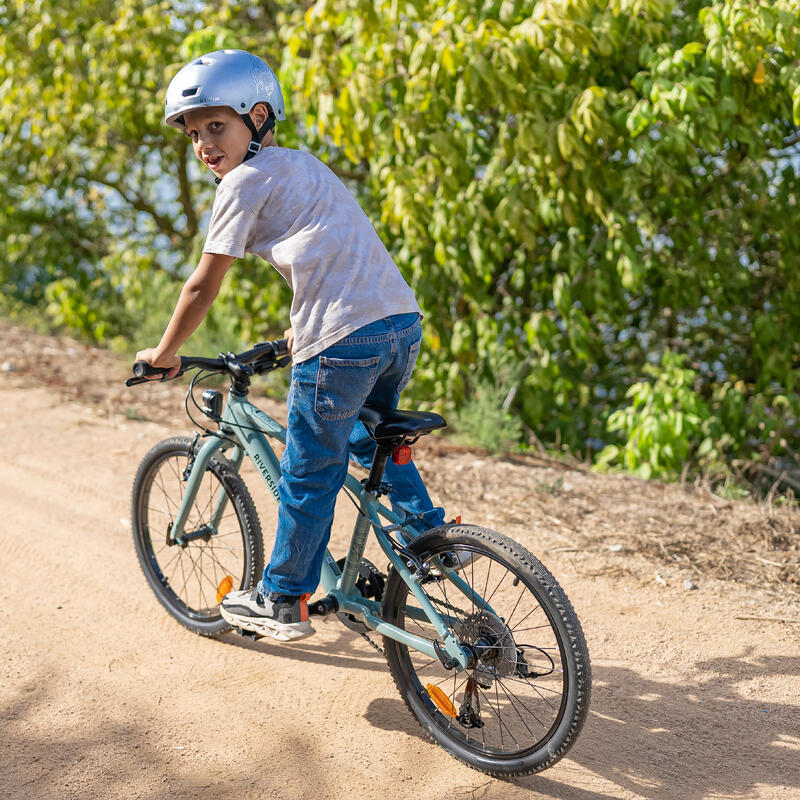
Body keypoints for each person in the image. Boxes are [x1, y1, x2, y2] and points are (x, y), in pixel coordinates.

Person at [135, 49, 444, 642]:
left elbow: (204, 283)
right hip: (398, 323)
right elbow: (332, 253)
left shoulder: (242, 183)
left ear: (258, 116)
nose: (204, 144)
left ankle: (281, 598)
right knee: (366, 434)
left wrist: (166, 350)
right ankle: (428, 543)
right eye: (194, 134)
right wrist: (298, 331)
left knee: (308, 472)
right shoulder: (303, 165)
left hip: (343, 340)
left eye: (216, 126)